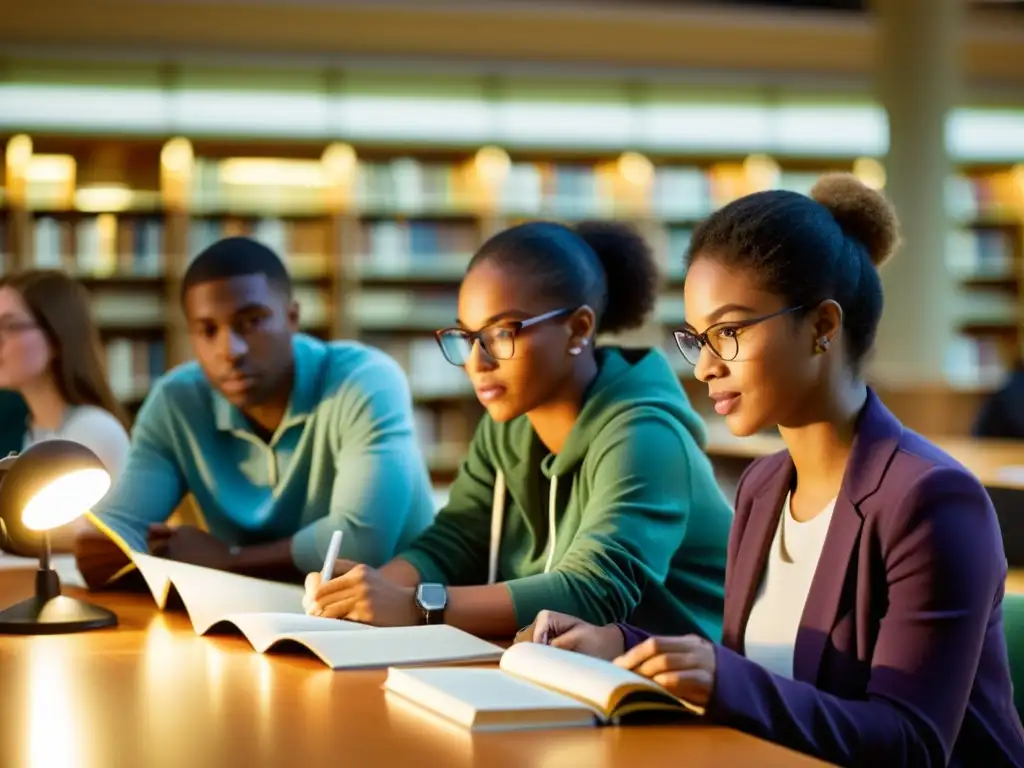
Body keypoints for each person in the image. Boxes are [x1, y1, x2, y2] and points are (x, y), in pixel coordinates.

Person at [523, 175, 1024, 767]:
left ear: (822, 327)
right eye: (697, 338)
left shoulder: (934, 501)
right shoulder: (762, 488)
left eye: (729, 332)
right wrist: (621, 643)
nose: (705, 366)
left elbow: (911, 744)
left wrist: (722, 681)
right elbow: (763, 671)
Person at [303, 220, 733, 640]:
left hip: (677, 690)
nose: (477, 362)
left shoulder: (646, 435)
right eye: (468, 336)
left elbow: (592, 592)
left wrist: (415, 606)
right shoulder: (508, 424)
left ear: (578, 329)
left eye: (502, 332)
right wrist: (362, 591)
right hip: (556, 665)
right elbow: (454, 542)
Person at [75, 236, 435, 586]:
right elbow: (109, 543)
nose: (230, 350)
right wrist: (145, 547)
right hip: (255, 614)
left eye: (251, 321)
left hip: (399, 619)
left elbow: (359, 544)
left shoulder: (365, 380)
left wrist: (229, 561)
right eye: (208, 330)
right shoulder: (175, 401)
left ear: (292, 317)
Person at [0, 270, 131, 549]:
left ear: (57, 337)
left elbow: (56, 538)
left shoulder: (93, 430)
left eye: (9, 327)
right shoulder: (34, 428)